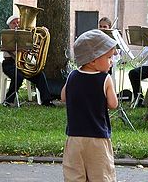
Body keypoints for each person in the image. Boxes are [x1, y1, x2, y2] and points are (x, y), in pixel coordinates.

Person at [61, 29, 118, 182]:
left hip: (74, 138)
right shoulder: (104, 79)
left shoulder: (72, 76)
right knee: (101, 175)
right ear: (93, 60)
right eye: (108, 57)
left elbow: (63, 96)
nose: (111, 61)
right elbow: (113, 104)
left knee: (74, 176)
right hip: (97, 138)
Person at [2, 15, 54, 107]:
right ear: (9, 26)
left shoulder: (26, 35)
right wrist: (19, 50)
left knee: (40, 75)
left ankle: (46, 101)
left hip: (23, 63)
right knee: (18, 76)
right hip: (9, 64)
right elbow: (5, 47)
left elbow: (35, 45)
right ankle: (8, 101)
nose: (16, 25)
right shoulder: (6, 35)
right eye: (13, 23)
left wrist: (44, 32)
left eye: (18, 22)